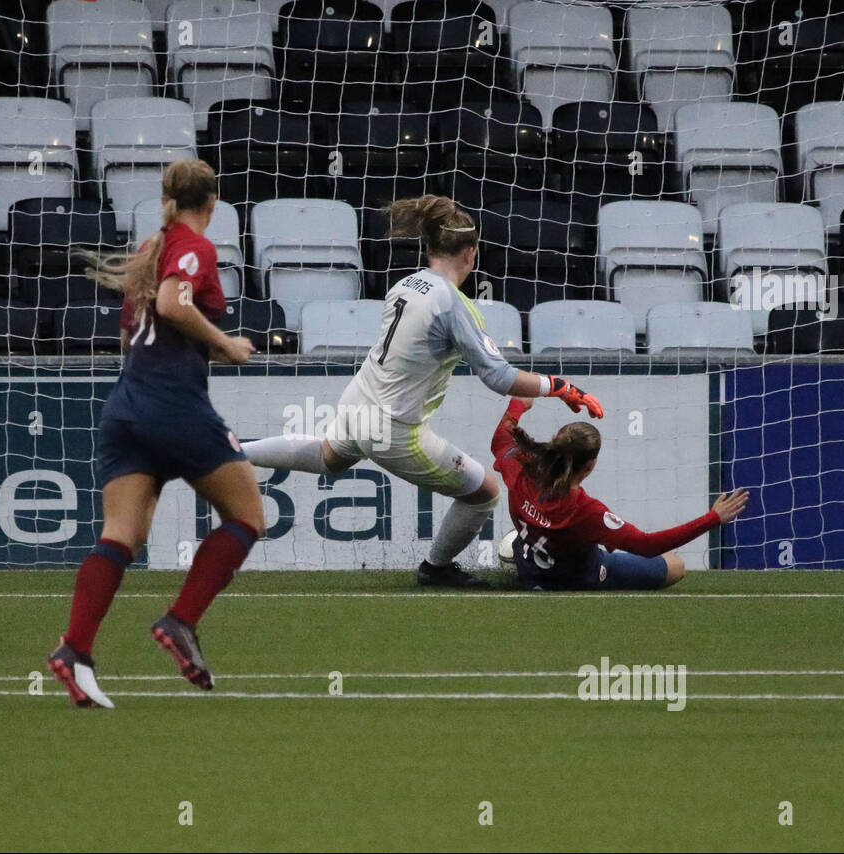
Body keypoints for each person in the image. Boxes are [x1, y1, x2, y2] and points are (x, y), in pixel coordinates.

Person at [242, 195, 603, 588]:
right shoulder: (453, 305)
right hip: (395, 428)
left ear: (429, 248)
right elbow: (499, 378)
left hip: (357, 402)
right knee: (483, 492)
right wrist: (562, 387)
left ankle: (234, 452)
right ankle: (437, 568)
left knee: (329, 456)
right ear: (471, 253)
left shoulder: (405, 284)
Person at [47, 158, 263, 706]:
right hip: (173, 404)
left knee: (122, 535)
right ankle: (181, 621)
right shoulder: (194, 245)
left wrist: (194, 344)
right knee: (247, 517)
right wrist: (226, 343)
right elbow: (173, 302)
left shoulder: (149, 249)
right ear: (212, 206)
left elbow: (134, 329)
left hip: (127, 403)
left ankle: (75, 649)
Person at [492, 397, 750, 590]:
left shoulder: (522, 468)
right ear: (590, 466)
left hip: (531, 570)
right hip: (580, 579)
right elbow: (648, 546)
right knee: (676, 566)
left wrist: (518, 402)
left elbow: (501, 440)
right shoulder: (586, 511)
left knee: (527, 542)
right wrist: (713, 518)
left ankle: (522, 564)